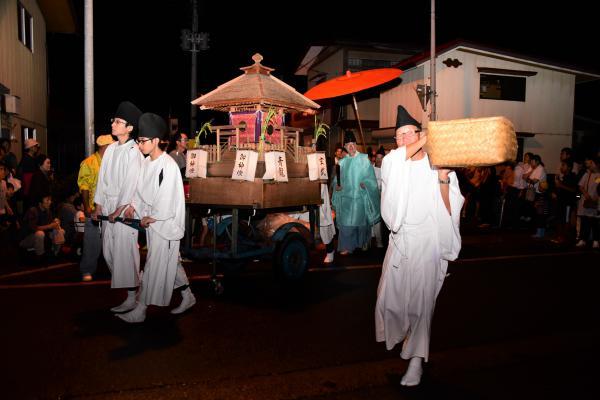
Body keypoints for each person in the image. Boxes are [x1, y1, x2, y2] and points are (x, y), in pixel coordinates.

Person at [375, 105, 463, 387]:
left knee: (422, 304)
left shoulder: (438, 163)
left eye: (406, 134)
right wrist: (428, 136)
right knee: (390, 301)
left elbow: (451, 210)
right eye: (398, 136)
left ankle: (416, 363)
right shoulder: (392, 162)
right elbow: (401, 157)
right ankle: (407, 338)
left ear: (418, 133)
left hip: (429, 241)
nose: (401, 140)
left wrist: (443, 178)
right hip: (401, 243)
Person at [117, 113, 195, 323]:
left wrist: (151, 216)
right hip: (153, 224)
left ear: (154, 141)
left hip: (165, 224)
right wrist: (135, 206)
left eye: (142, 141)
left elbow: (167, 198)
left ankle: (141, 310)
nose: (140, 145)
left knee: (153, 265)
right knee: (169, 263)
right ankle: (188, 296)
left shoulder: (167, 165)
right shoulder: (145, 163)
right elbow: (140, 190)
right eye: (139, 141)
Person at [92, 101, 144, 311]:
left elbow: (131, 182)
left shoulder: (134, 151)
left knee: (124, 252)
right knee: (109, 252)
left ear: (129, 127)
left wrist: (119, 209)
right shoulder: (111, 149)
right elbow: (102, 178)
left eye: (119, 121)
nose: (113, 124)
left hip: (124, 210)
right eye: (114, 120)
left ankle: (132, 295)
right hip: (109, 208)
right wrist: (98, 205)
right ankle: (137, 283)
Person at [331, 131, 380, 255]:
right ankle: (347, 246)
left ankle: (363, 242)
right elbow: (337, 180)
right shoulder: (342, 163)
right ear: (345, 147)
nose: (351, 146)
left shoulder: (364, 159)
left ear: (356, 145)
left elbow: (371, 179)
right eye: (348, 145)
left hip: (360, 197)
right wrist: (336, 186)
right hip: (346, 198)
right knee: (347, 223)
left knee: (361, 223)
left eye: (353, 144)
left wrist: (367, 184)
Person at [78, 134, 114, 281]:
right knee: (91, 241)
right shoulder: (89, 162)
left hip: (110, 209)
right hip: (93, 208)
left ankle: (114, 270)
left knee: (112, 242)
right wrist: (87, 207)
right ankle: (87, 270)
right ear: (105, 147)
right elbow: (84, 186)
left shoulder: (111, 162)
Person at [575, 156, 599, 248]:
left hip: (595, 202)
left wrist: (596, 197)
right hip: (586, 201)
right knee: (585, 221)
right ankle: (583, 239)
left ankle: (595, 240)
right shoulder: (587, 174)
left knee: (594, 221)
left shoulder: (598, 175)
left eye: (590, 163)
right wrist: (587, 195)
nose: (589, 165)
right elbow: (580, 186)